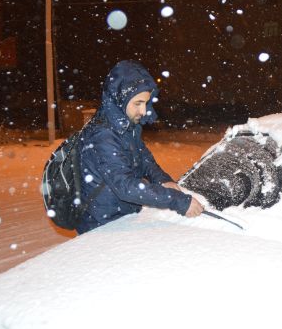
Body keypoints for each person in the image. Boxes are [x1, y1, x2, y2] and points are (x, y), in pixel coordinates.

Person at [76, 60, 203, 234]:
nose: (143, 111)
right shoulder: (102, 135)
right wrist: (176, 200)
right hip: (100, 227)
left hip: (122, 218)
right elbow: (126, 187)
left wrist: (163, 179)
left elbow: (144, 160)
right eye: (138, 103)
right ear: (121, 97)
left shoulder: (126, 126)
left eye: (146, 103)